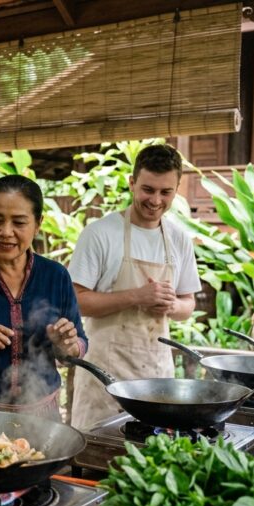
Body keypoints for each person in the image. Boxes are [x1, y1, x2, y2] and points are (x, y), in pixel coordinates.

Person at [68, 144, 201, 430]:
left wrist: (172, 305)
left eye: (165, 192)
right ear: (132, 183)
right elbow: (76, 301)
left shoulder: (179, 239)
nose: (155, 200)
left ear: (177, 189)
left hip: (155, 376)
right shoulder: (100, 234)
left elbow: (187, 304)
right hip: (104, 376)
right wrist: (136, 297)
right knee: (97, 455)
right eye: (147, 189)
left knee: (151, 459)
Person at [0, 175, 86, 421]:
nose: (6, 232)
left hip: (41, 414)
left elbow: (77, 346)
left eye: (19, 222)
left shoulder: (56, 276)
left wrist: (66, 345)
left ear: (38, 224)